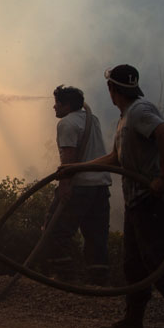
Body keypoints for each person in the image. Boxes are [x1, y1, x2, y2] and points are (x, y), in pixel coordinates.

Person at [60, 64, 164, 328]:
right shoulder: (126, 118)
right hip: (138, 200)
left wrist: (162, 177)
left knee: (160, 263)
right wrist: (76, 168)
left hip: (153, 199)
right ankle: (133, 320)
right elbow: (117, 158)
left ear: (113, 90)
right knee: (134, 264)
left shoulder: (139, 111)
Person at [44, 85, 112, 285]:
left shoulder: (67, 123)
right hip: (100, 187)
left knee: (53, 231)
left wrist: (65, 186)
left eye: (57, 103)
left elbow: (69, 158)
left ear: (66, 105)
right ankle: (98, 283)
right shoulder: (92, 119)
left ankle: (65, 279)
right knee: (96, 238)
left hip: (80, 186)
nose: (54, 107)